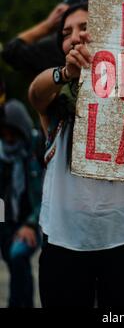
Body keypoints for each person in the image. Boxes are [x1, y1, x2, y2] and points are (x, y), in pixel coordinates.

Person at [28, 3, 124, 308]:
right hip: (64, 242)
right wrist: (65, 73)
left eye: (83, 26)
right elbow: (36, 92)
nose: (74, 37)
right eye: (66, 32)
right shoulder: (57, 95)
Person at [0, 99, 43, 307]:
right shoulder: (1, 155)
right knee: (13, 263)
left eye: (12, 133)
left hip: (32, 221)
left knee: (18, 255)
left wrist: (31, 224)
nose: (9, 139)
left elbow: (44, 193)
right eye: (4, 133)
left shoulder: (36, 148)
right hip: (6, 222)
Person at [2, 0, 89, 77]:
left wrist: (47, 25)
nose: (74, 38)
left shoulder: (53, 45)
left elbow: (11, 51)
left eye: (85, 28)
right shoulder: (55, 45)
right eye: (66, 33)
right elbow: (11, 53)